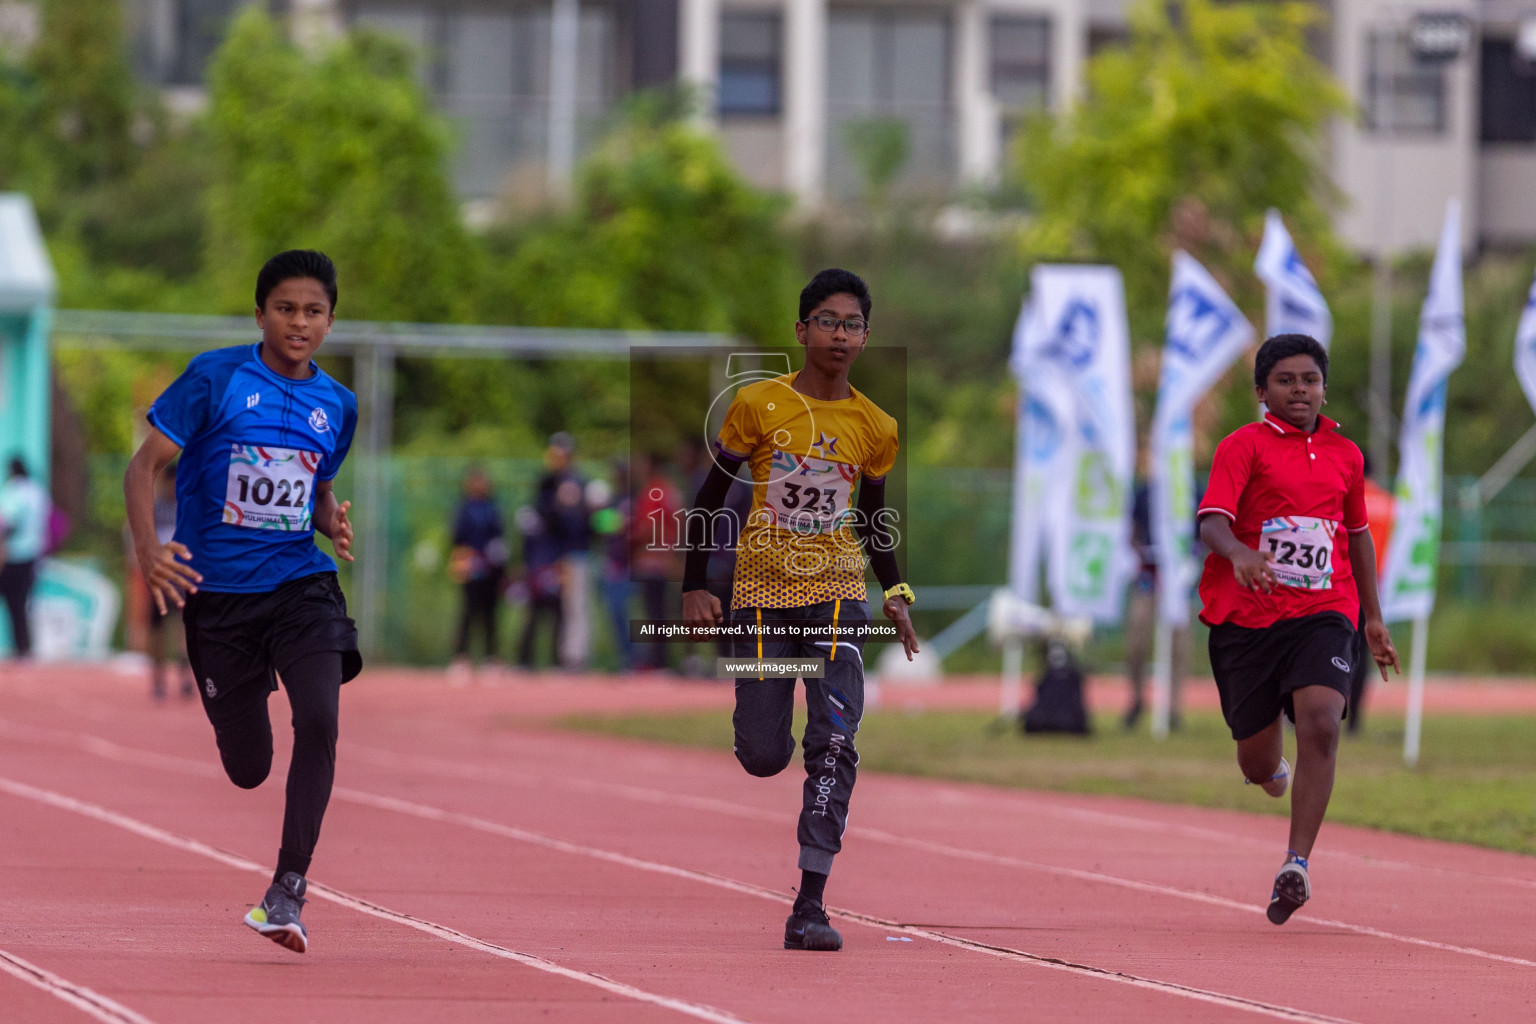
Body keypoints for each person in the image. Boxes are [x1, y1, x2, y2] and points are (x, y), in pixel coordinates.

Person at [123, 249, 360, 954]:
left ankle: (287, 889)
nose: (299, 322)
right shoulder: (216, 377)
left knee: (319, 717)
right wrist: (149, 551)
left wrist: (329, 519)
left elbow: (311, 486)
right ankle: (238, 697)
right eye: (285, 308)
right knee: (249, 766)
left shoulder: (337, 405)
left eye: (313, 311)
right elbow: (144, 467)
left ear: (330, 320)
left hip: (300, 585)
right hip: (218, 598)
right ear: (260, 314)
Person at [682, 268, 919, 952]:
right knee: (762, 754)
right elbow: (709, 497)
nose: (839, 334)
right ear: (802, 330)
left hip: (839, 596)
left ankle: (810, 903)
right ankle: (764, 736)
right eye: (827, 321)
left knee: (836, 743)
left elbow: (874, 520)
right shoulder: (757, 405)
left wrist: (896, 595)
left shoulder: (875, 426)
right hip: (760, 596)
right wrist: (696, 584)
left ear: (866, 337)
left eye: (852, 324)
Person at [1196, 333, 1399, 926]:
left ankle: (1297, 864)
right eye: (1285, 381)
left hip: (1324, 609)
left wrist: (1373, 616)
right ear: (1262, 392)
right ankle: (1269, 773)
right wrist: (1239, 553)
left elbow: (1356, 534)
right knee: (1256, 763)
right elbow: (1211, 521)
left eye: (1309, 379)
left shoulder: (1347, 455)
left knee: (1320, 721)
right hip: (1247, 618)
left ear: (1324, 387)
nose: (1300, 390)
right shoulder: (1242, 447)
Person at [1349, 455, 1395, 734]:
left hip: (1345, 582)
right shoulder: (1388, 503)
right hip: (1375, 586)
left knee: (1332, 646)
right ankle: (1354, 720)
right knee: (1364, 651)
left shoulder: (1348, 500)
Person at [448, 467, 508, 673]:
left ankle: (491, 657)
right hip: (471, 565)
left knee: (490, 613)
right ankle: (461, 657)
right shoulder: (464, 508)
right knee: (468, 612)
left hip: (491, 567)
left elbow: (500, 536)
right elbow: (456, 537)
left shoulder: (493, 508)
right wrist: (462, 561)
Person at [0, 456, 50, 659]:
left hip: (13, 554)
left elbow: (9, 524)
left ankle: (22, 647)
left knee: (13, 602)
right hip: (33, 553)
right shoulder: (38, 491)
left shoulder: (13, 490)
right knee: (20, 603)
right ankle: (23, 647)